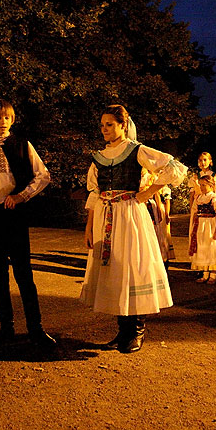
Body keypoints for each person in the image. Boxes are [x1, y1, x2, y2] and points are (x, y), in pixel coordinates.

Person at [82, 105, 186, 354]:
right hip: (106, 217)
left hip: (129, 215)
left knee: (133, 268)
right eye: (102, 124)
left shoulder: (135, 150)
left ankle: (137, 331)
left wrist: (147, 193)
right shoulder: (99, 156)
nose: (105, 129)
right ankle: (122, 331)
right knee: (116, 270)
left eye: (109, 124)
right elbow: (95, 193)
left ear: (122, 125)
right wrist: (88, 227)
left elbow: (173, 167)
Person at [0, 99, 56, 347]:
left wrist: (21, 195)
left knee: (23, 272)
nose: (2, 122)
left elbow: (43, 175)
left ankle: (36, 328)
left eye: (6, 118)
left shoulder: (22, 144)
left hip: (15, 214)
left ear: (12, 120)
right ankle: (6, 328)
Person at [189, 175, 216, 284]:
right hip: (201, 225)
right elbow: (195, 212)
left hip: (211, 224)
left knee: (212, 248)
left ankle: (213, 274)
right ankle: (205, 273)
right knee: (203, 247)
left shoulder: (214, 198)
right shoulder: (199, 198)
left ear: (211, 185)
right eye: (200, 185)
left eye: (204, 185)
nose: (202, 187)